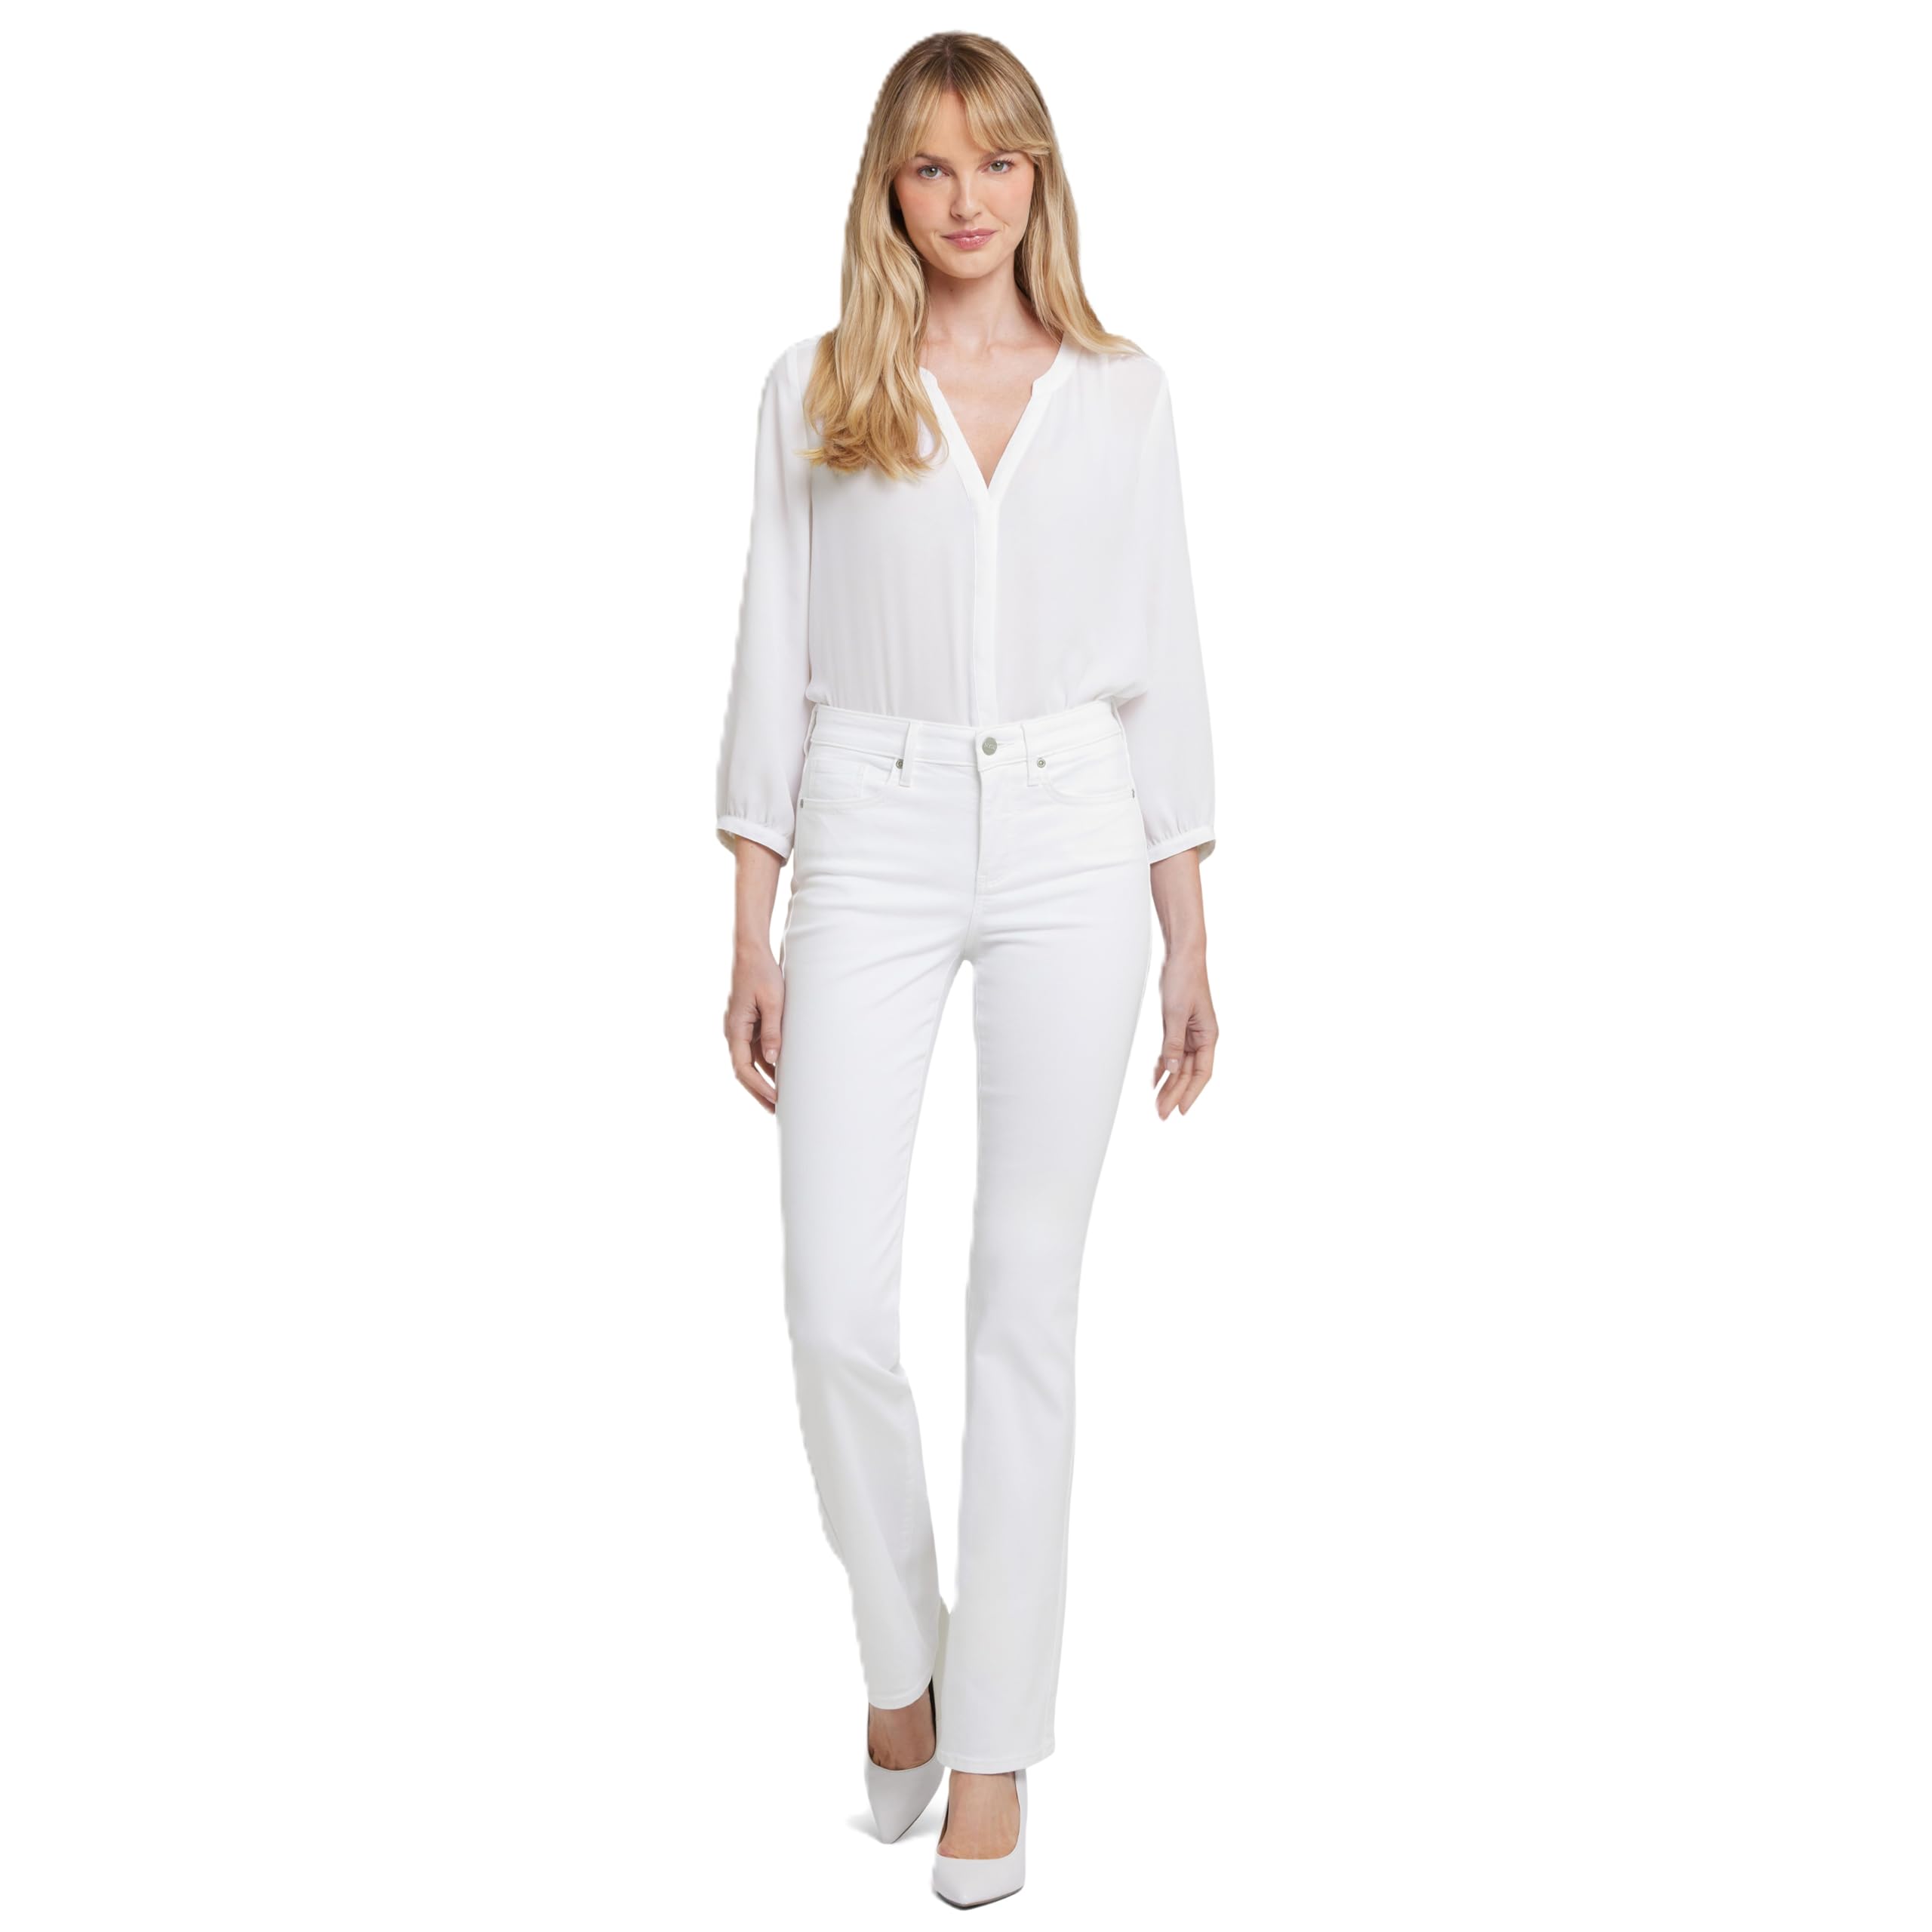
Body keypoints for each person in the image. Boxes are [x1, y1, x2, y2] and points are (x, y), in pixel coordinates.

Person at [715, 32, 1218, 1908]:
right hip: (873, 822)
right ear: (887, 188)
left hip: (1079, 830)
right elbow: (771, 648)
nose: (966, 199)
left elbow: (1164, 655)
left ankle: (991, 1739)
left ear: (1038, 177)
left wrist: (1187, 924)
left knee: (1023, 1296)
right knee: (832, 1303)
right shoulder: (812, 390)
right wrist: (748, 913)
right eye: (929, 167)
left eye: (996, 161)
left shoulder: (1122, 392)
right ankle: (899, 1651)